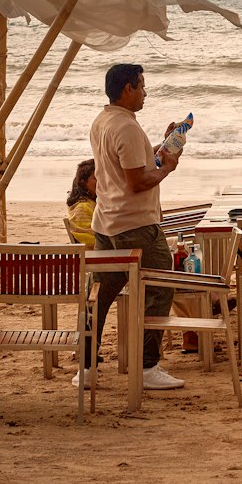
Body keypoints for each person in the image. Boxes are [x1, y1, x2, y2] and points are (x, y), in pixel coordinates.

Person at [84, 63, 185, 392]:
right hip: (136, 223)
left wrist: (160, 151)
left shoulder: (103, 121)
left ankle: (86, 365)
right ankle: (147, 366)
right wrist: (167, 167)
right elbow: (138, 181)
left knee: (101, 296)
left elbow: (127, 168)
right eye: (142, 86)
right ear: (127, 88)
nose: (145, 93)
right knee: (160, 287)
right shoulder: (126, 127)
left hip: (107, 222)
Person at [66, 159, 97, 246]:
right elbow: (86, 239)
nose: (101, 181)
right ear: (83, 182)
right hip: (93, 254)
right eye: (95, 178)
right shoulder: (82, 208)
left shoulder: (92, 203)